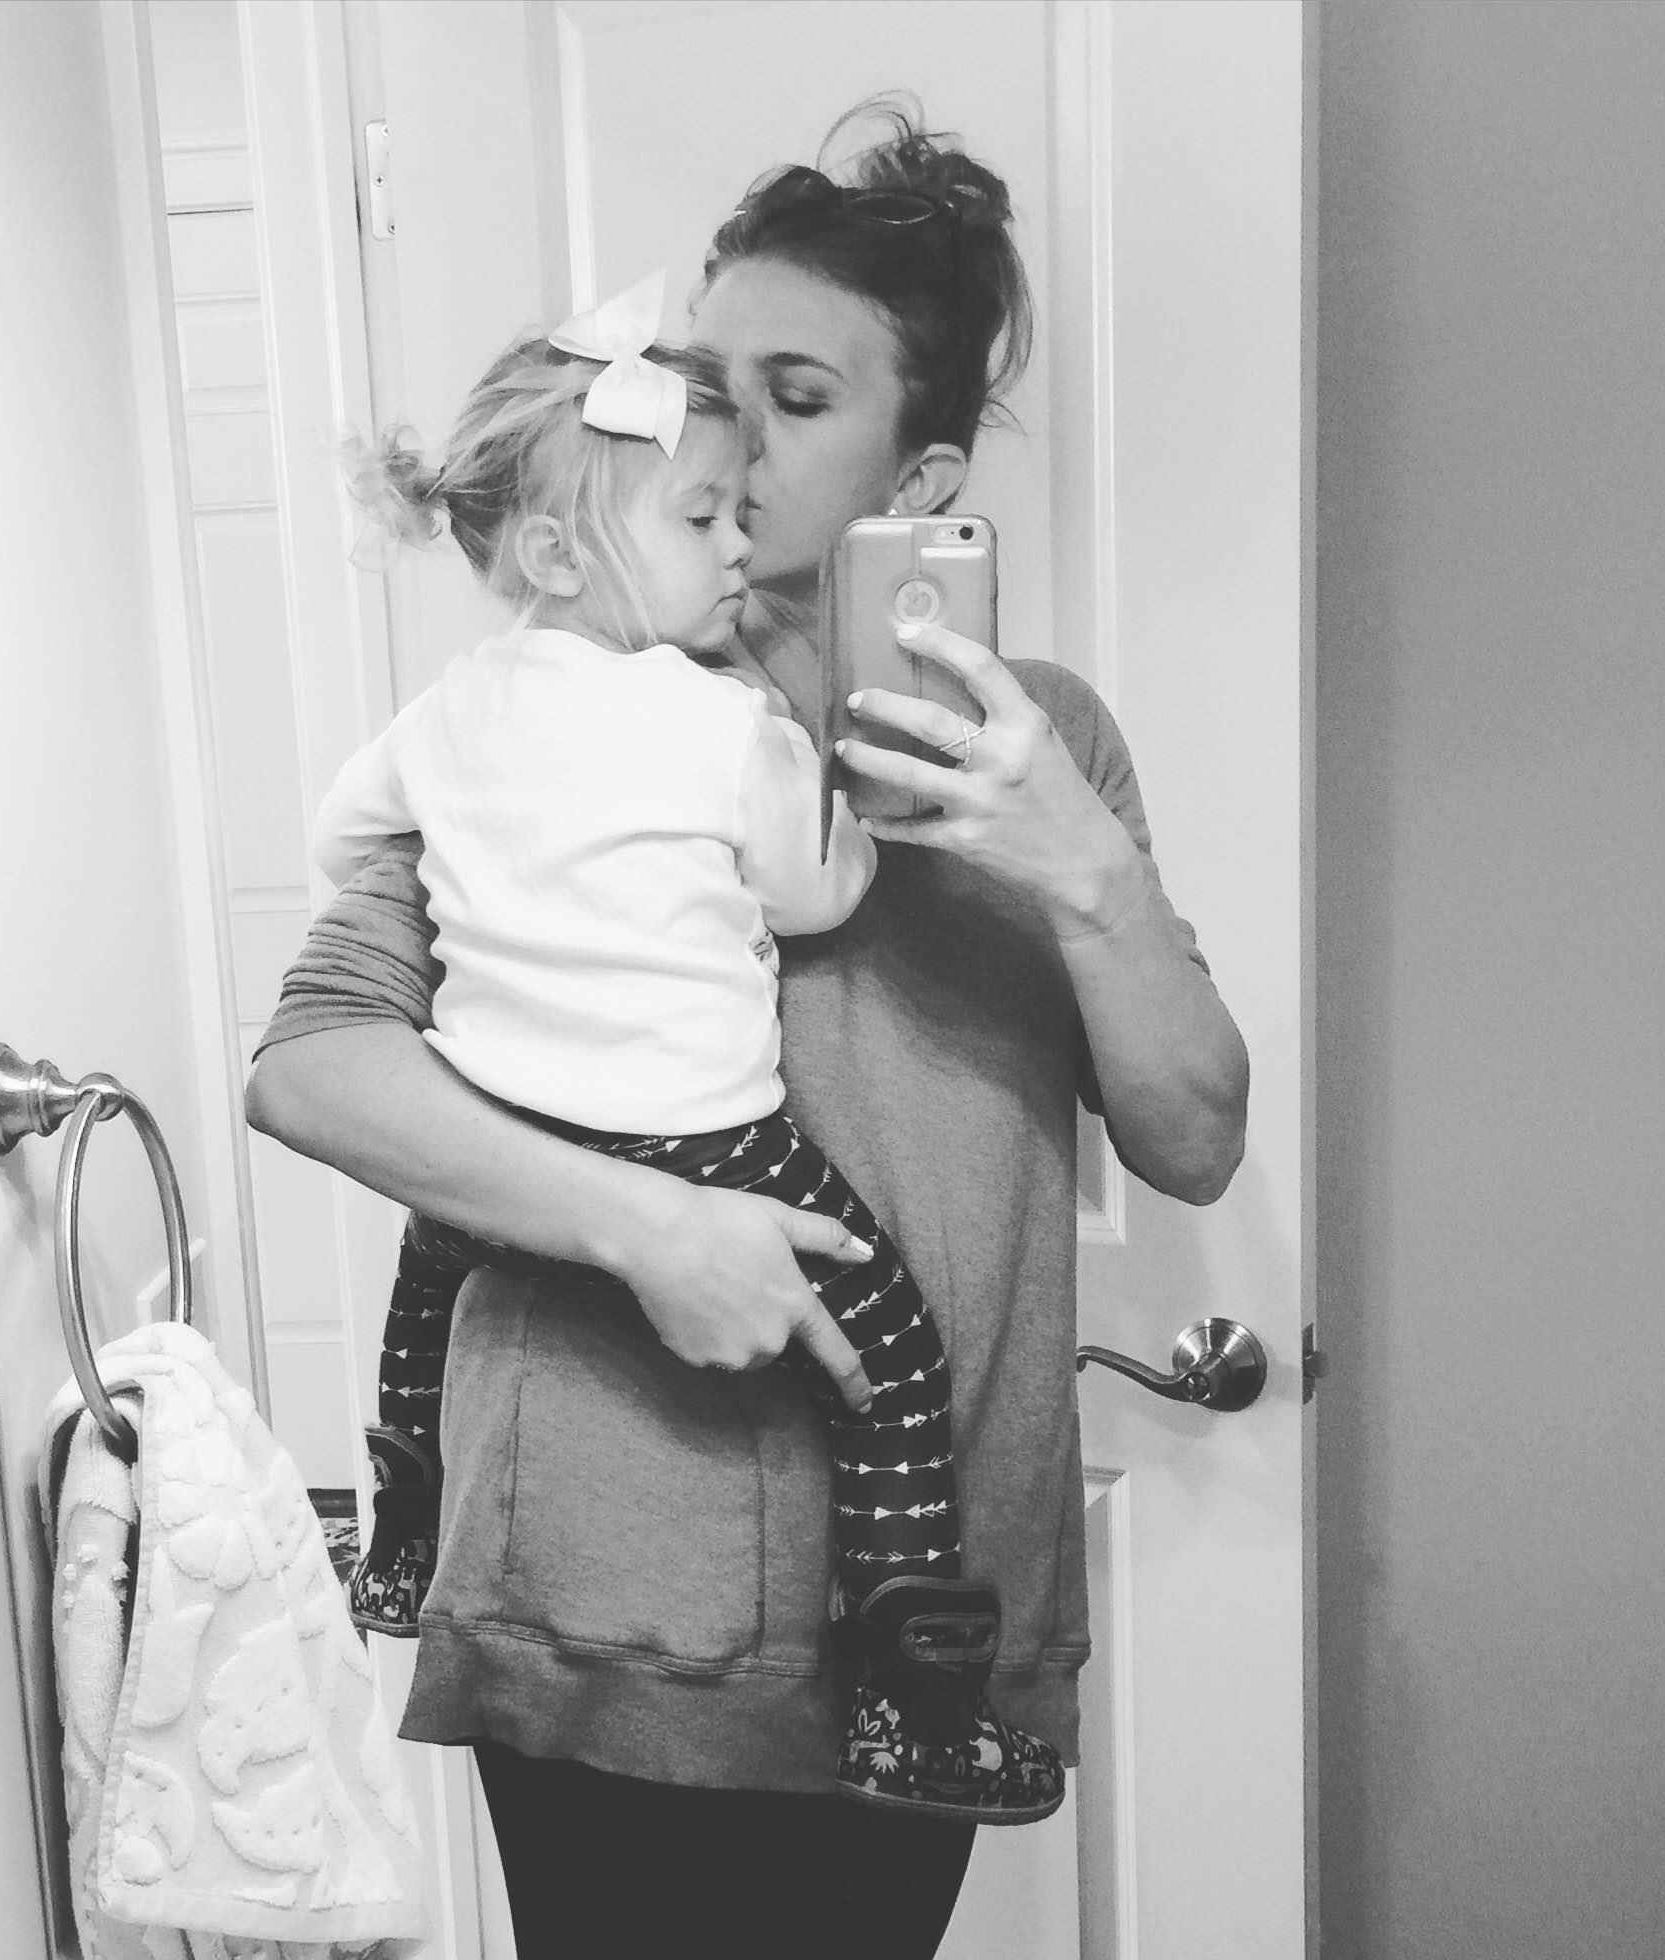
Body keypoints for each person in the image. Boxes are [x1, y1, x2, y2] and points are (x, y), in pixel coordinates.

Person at [247, 100, 1248, 1960]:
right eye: (709, 383)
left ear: (918, 471)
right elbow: (315, 1066)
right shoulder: (548, 703)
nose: (725, 433)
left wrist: (1081, 868)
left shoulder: (1048, 739)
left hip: (924, 1616)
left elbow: (1192, 1137)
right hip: (602, 1586)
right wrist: (651, 1228)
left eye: (796, 397)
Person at [313, 272, 1060, 1822]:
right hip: (701, 1140)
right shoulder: (722, 723)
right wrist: (853, 822)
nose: (735, 540)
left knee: (428, 1279)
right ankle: (910, 1693)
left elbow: (341, 837)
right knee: (887, 1352)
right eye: (702, 516)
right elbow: (814, 895)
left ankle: (396, 1538)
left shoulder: (444, 714)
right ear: (557, 553)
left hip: (505, 1126)